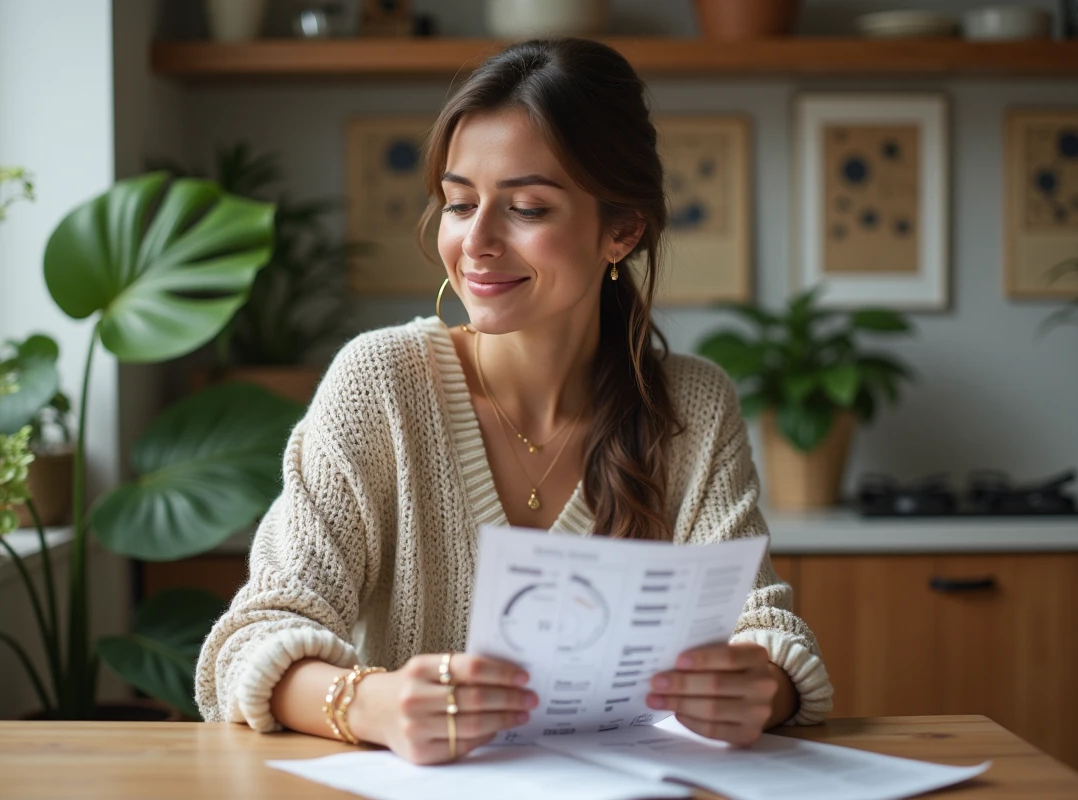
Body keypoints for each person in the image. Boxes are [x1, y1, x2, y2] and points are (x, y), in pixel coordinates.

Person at [195, 37, 832, 766]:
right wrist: (371, 703)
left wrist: (763, 686)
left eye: (527, 208)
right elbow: (251, 639)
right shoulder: (380, 384)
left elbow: (765, 628)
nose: (477, 242)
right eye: (460, 204)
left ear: (622, 230)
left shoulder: (692, 405)